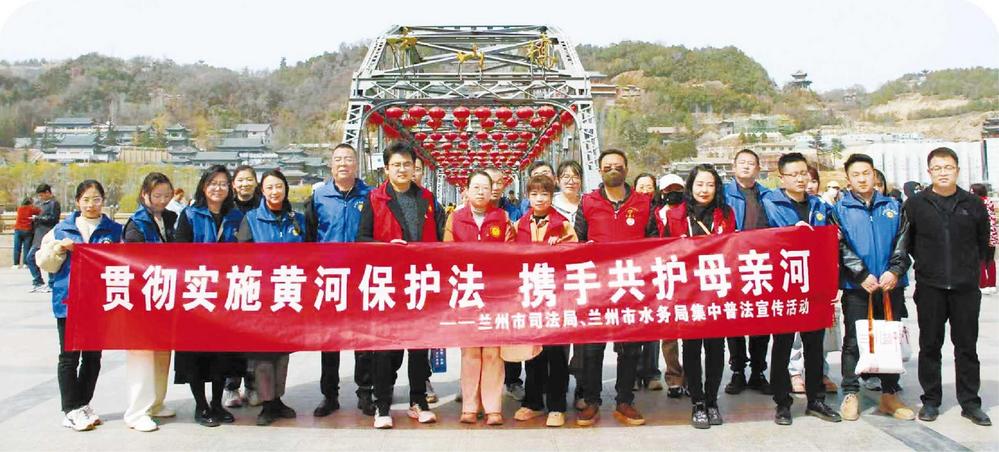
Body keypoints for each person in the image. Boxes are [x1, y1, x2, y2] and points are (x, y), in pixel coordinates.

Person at [357, 142, 445, 429]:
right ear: (386, 169)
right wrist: (385, 247)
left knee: (418, 346)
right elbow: (361, 239)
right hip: (387, 282)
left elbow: (441, 238)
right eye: (396, 165)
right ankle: (383, 405)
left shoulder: (427, 198)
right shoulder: (375, 199)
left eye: (407, 164)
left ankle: (418, 402)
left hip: (419, 280)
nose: (402, 169)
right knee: (385, 347)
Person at [905, 147, 991, 426]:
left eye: (948, 167)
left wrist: (967, 269)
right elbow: (908, 243)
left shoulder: (973, 204)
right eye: (937, 168)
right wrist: (929, 266)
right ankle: (931, 400)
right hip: (930, 286)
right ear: (929, 172)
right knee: (930, 344)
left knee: (966, 346)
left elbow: (983, 243)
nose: (943, 173)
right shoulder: (916, 204)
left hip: (965, 288)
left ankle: (970, 402)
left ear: (957, 170)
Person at [573, 149, 657, 427]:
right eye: (607, 166)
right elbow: (577, 241)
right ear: (600, 170)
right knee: (592, 347)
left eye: (618, 166)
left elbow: (654, 240)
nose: (613, 169)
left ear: (626, 169)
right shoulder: (588, 202)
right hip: (597, 285)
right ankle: (591, 401)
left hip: (631, 285)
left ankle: (624, 400)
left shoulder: (643, 203)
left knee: (630, 346)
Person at [832, 153, 915, 422]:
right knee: (854, 340)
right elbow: (839, 246)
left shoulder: (893, 206)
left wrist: (895, 271)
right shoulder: (839, 210)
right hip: (858, 286)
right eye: (855, 175)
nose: (862, 179)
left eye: (866, 173)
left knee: (889, 338)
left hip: (891, 285)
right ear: (848, 179)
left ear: (874, 174)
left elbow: (903, 241)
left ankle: (890, 394)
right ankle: (851, 392)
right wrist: (861, 273)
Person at [761, 152, 841, 425]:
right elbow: (761, 239)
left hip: (814, 283)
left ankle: (816, 399)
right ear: (781, 178)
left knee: (814, 344)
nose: (799, 179)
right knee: (783, 344)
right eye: (793, 174)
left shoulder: (819, 205)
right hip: (783, 285)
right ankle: (782, 402)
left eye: (803, 173)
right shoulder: (770, 204)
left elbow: (832, 241)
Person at [36, 179, 122, 431]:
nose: (91, 204)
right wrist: (60, 249)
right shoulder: (62, 229)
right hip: (69, 300)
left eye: (96, 199)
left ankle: (83, 404)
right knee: (69, 356)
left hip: (99, 302)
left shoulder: (114, 231)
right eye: (86, 200)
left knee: (93, 356)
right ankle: (70, 408)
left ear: (103, 201)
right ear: (77, 202)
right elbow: (44, 262)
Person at [658, 164, 735, 429]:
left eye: (710, 185)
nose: (704, 190)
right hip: (688, 292)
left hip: (716, 290)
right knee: (691, 347)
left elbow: (733, 248)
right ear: (690, 187)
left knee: (716, 348)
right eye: (699, 184)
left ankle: (712, 400)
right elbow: (663, 250)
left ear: (717, 188)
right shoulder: (675, 215)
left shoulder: (725, 214)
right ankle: (698, 402)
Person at [304, 143, 375, 417]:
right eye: (338, 159)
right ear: (331, 165)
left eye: (348, 159)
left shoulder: (370, 195)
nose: (343, 163)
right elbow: (311, 237)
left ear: (356, 165)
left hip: (361, 277)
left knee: (363, 338)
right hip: (330, 277)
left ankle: (365, 392)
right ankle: (329, 395)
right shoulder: (319, 197)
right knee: (330, 339)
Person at [173, 165, 245, 427]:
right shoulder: (190, 215)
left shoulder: (235, 217)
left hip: (225, 296)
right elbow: (178, 254)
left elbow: (245, 253)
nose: (218, 188)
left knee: (222, 353)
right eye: (213, 183)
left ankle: (217, 404)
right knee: (196, 353)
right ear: (204, 187)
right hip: (197, 294)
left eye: (223, 184)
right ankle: (201, 405)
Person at [444, 170, 516, 425]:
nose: (481, 191)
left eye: (486, 187)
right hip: (467, 293)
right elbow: (446, 253)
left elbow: (512, 253)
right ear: (466, 190)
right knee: (471, 352)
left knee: (493, 352)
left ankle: (493, 406)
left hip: (495, 294)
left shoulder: (502, 218)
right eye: (476, 187)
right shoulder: (456, 218)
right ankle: (470, 406)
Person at [236, 169, 304, 426]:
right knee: (263, 352)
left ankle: (277, 399)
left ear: (285, 189)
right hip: (262, 295)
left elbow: (310, 253)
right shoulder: (252, 219)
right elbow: (242, 256)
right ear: (261, 191)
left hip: (288, 292)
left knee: (283, 349)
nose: (275, 192)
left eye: (279, 186)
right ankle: (266, 402)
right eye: (269, 188)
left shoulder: (296, 219)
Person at [514, 174, 578, 427]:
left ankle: (557, 405)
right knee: (533, 353)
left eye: (544, 194)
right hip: (530, 297)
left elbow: (574, 255)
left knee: (556, 354)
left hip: (556, 297)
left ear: (552, 197)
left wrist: (559, 246)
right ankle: (533, 402)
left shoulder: (563, 226)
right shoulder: (519, 225)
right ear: (527, 197)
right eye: (534, 194)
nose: (539, 199)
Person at [121, 173, 179, 432]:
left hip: (164, 294)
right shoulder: (136, 223)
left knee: (162, 353)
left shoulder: (171, 218)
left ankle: (156, 402)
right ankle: (137, 412)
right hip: (142, 297)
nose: (162, 200)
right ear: (145, 195)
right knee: (142, 354)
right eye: (157, 196)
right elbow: (135, 261)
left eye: (167, 195)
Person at [721, 149, 772, 396]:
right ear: (733, 167)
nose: (746, 166)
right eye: (741, 162)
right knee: (735, 320)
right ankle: (738, 370)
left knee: (761, 319)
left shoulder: (768, 196)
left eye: (751, 163)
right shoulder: (723, 194)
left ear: (758, 169)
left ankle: (759, 371)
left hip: (760, 264)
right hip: (732, 264)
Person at [788, 166, 837, 394]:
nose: (808, 184)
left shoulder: (823, 207)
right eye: (800, 177)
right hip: (792, 273)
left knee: (820, 326)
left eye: (812, 180)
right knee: (795, 328)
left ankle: (820, 372)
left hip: (819, 273)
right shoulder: (783, 206)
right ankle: (795, 372)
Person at [653, 174, 688, 399]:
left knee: (692, 331)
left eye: (677, 189)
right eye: (669, 189)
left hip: (688, 275)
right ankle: (674, 378)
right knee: (668, 332)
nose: (673, 193)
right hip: (663, 274)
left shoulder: (690, 212)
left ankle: (692, 377)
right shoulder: (654, 213)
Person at [631, 172, 664, 391]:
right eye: (641, 187)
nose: (645, 191)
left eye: (649, 186)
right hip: (631, 272)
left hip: (654, 271)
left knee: (652, 324)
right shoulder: (631, 209)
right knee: (632, 323)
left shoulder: (661, 211)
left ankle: (651, 372)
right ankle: (632, 372)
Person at [27, 183, 61, 293]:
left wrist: (37, 218)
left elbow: (53, 218)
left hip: (48, 234)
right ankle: (38, 281)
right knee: (30, 258)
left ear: (48, 192)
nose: (40, 197)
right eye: (39, 195)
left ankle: (52, 283)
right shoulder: (40, 204)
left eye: (41, 195)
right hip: (38, 235)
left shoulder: (54, 203)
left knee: (49, 258)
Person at [970, 184, 998, 295]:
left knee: (980, 260)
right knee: (990, 260)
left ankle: (983, 284)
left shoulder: (975, 203)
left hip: (981, 236)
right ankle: (992, 284)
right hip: (992, 235)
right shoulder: (989, 201)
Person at [12, 197, 40, 269]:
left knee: (17, 247)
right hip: (27, 230)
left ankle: (16, 264)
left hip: (18, 229)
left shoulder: (20, 209)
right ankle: (25, 264)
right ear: (30, 203)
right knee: (26, 248)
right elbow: (39, 211)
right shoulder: (32, 209)